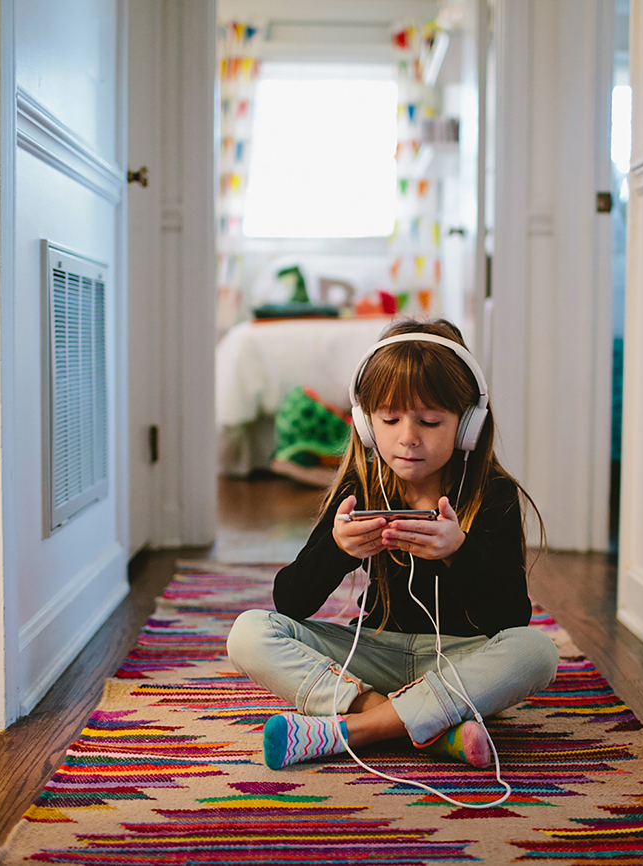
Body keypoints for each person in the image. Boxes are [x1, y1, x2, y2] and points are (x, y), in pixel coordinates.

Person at [226, 318, 559, 771]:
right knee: (249, 632)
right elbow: (291, 601)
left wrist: (457, 553)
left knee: (536, 652)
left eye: (429, 420)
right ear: (366, 423)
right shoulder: (359, 485)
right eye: (389, 419)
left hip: (457, 661)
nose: (407, 437)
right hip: (375, 653)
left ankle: (357, 729)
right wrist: (339, 550)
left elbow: (509, 618)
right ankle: (425, 728)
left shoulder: (491, 491)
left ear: (467, 425)